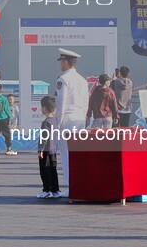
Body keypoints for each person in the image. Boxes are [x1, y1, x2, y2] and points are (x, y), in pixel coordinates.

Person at [54, 48, 89, 197]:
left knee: (66, 155)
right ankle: (79, 184)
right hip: (80, 119)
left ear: (66, 62)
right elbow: (87, 101)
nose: (60, 64)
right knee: (78, 155)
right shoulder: (82, 79)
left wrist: (58, 122)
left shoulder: (63, 79)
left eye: (61, 61)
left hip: (67, 120)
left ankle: (71, 186)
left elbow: (61, 103)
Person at [37, 95, 60, 199]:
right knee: (53, 170)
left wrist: (40, 150)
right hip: (53, 150)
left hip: (46, 151)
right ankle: (55, 190)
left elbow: (44, 138)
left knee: (44, 171)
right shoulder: (55, 120)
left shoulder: (46, 122)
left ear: (44, 108)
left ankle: (46, 190)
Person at [0, 84, 16, 156]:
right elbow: (7, 111)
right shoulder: (4, 99)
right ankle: (9, 148)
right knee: (7, 134)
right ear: (2, 91)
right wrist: (9, 120)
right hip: (3, 119)